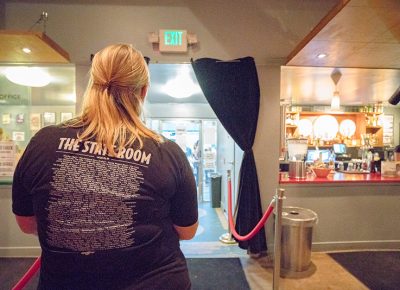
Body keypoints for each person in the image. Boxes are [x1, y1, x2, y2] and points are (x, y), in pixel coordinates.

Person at [12, 43, 198, 290]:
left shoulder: (42, 142)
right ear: (143, 92)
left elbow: (26, 224)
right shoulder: (167, 152)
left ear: (93, 85)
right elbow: (187, 231)